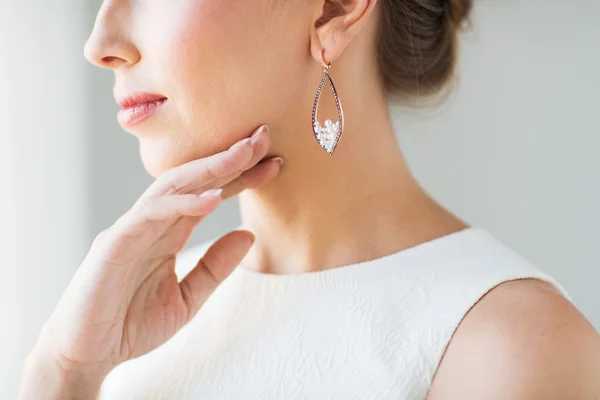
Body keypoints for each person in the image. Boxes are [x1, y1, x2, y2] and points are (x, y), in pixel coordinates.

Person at [18, 0, 600, 399]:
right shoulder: (130, 323)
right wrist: (63, 375)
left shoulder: (509, 349)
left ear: (334, 8)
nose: (101, 43)